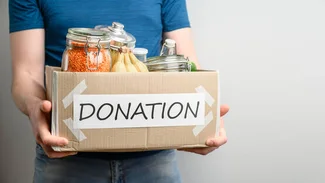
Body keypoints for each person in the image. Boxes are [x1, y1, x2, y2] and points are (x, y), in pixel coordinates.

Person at [9, 0, 230, 182]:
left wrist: (205, 112)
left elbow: (185, 63)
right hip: (66, 157)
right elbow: (26, 74)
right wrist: (34, 106)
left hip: (154, 160)